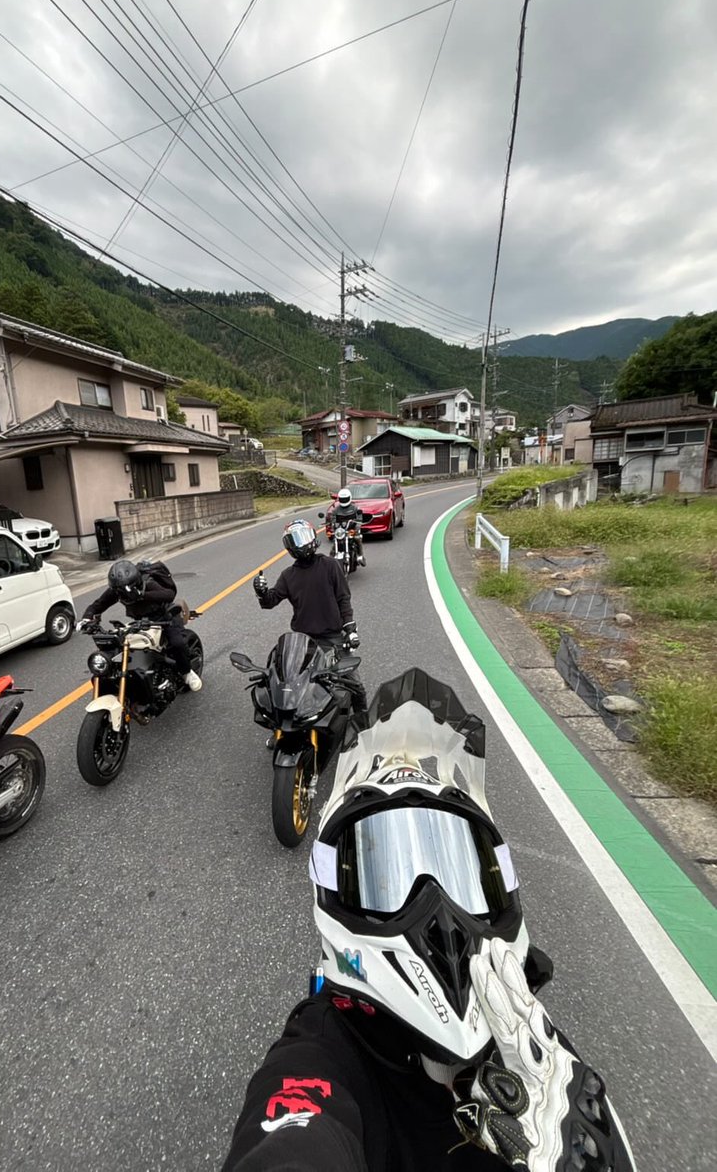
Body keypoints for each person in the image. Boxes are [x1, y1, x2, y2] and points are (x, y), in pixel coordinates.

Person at [221, 678, 637, 1172]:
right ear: (331, 889)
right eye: (388, 878)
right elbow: (295, 1145)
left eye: (459, 874)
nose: (436, 912)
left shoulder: (530, 1045)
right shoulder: (322, 1053)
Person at [253, 519, 367, 714]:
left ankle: (363, 722)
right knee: (288, 685)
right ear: (289, 546)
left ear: (313, 537)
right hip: (303, 640)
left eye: (304, 537)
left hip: (333, 636)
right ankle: (289, 722)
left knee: (354, 684)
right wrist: (262, 592)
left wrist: (350, 628)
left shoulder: (331, 565)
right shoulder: (288, 575)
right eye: (296, 540)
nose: (302, 543)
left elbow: (343, 598)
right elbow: (270, 601)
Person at [80, 558, 202, 691]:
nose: (123, 593)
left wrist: (142, 594)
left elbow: (169, 594)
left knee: (177, 643)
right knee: (122, 645)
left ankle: (187, 673)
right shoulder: (117, 589)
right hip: (140, 621)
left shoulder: (148, 582)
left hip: (164, 617)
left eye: (126, 589)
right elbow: (98, 604)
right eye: (120, 590)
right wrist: (86, 618)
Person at [326, 488, 365, 567]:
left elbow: (359, 519)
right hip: (341, 530)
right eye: (342, 499)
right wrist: (333, 528)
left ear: (349, 498)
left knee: (357, 538)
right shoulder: (336, 510)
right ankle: (330, 562)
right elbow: (333, 520)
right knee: (335, 542)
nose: (344, 500)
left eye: (345, 499)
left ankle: (360, 556)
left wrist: (356, 528)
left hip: (352, 529)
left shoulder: (355, 508)